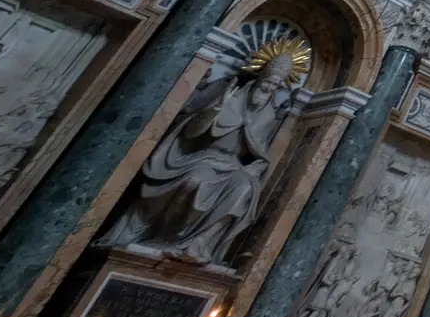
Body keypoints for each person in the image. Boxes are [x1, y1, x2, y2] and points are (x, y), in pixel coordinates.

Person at [101, 52, 293, 264]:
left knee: (245, 188)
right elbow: (191, 131)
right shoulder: (230, 96)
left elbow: (260, 152)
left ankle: (198, 243)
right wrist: (217, 108)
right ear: (259, 79)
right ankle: (168, 237)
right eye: (267, 82)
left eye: (275, 86)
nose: (268, 89)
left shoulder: (268, 115)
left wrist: (254, 168)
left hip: (233, 165)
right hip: (205, 157)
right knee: (195, 180)